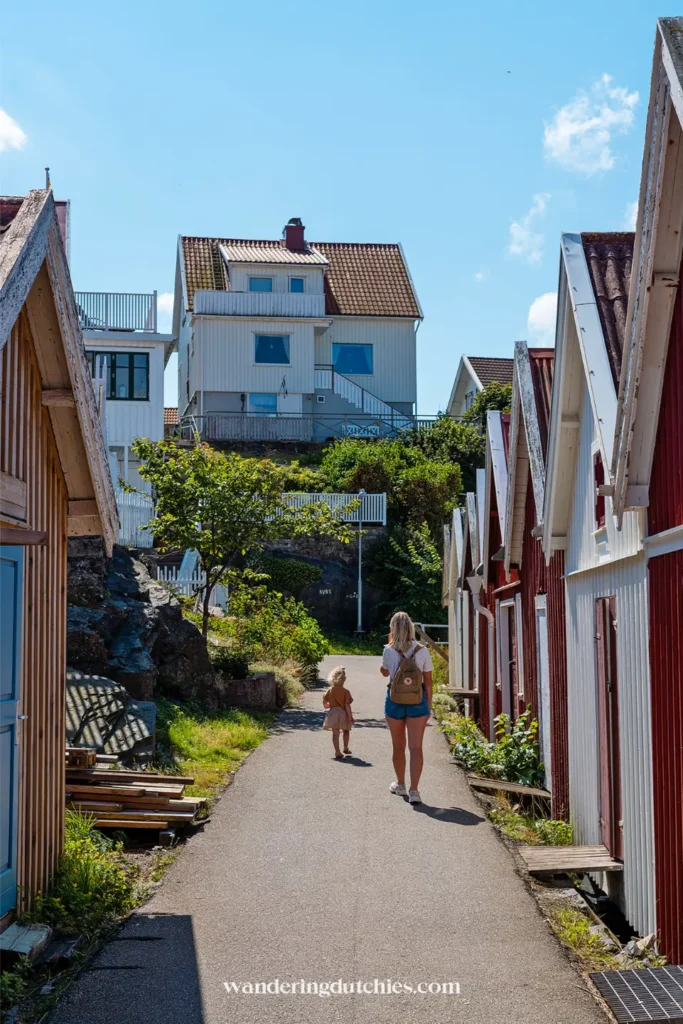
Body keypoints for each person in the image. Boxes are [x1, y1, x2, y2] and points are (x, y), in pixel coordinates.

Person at [381, 611, 433, 804]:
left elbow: (385, 672)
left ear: (393, 629)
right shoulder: (423, 650)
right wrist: (428, 705)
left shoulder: (388, 650)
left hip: (394, 701)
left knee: (398, 746)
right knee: (416, 747)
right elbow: (428, 681)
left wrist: (390, 644)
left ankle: (400, 784)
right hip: (417, 702)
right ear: (411, 627)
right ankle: (414, 791)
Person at [322, 666, 354, 760]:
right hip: (343, 713)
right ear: (344, 680)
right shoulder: (346, 692)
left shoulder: (330, 690)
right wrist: (350, 716)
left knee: (335, 733)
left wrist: (326, 704)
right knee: (346, 730)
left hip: (332, 713)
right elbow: (347, 705)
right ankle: (345, 747)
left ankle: (337, 751)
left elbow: (324, 699)